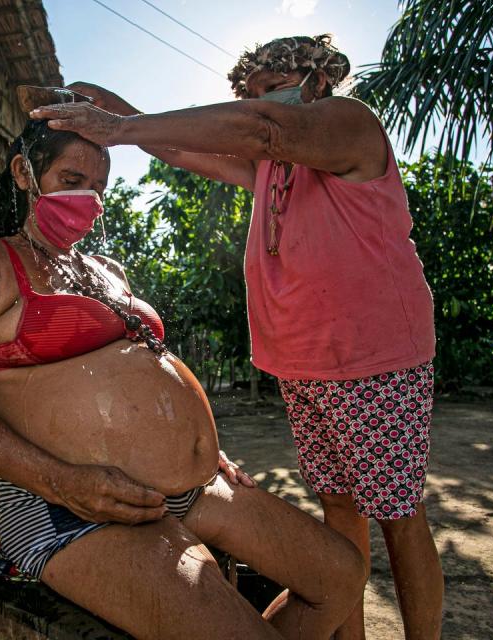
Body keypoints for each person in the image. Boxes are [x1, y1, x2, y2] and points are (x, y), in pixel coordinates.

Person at [29, 34, 443, 640]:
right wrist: (117, 114)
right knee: (340, 508)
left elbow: (263, 128)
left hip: (371, 358)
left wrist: (118, 126)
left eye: (271, 88)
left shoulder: (349, 124)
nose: (261, 101)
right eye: (251, 93)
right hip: (306, 366)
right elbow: (180, 149)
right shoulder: (272, 166)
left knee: (399, 515)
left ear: (316, 77)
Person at [0, 118, 366, 640]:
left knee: (341, 574)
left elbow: (146, 368)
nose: (88, 197)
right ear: (23, 172)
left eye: (100, 187)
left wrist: (190, 444)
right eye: (71, 178)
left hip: (192, 487)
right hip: (70, 506)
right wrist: (62, 482)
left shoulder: (106, 267)